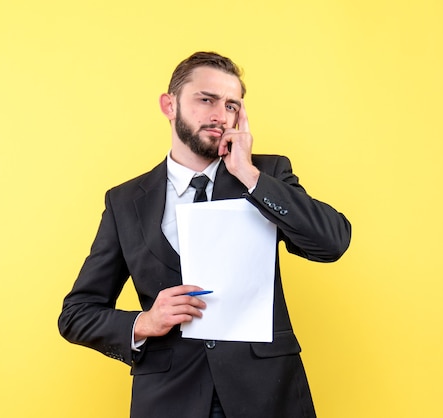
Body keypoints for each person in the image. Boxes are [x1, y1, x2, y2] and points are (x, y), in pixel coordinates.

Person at [58, 51, 351, 418]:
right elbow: (76, 314)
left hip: (266, 395)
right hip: (169, 399)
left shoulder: (267, 173)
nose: (219, 115)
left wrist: (250, 175)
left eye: (231, 105)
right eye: (206, 99)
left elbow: (332, 242)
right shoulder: (125, 201)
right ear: (169, 105)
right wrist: (144, 322)